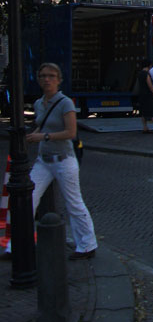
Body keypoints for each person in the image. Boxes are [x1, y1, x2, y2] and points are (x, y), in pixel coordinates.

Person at [26, 63, 98, 260]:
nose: (46, 79)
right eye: (43, 76)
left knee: (74, 202)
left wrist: (43, 137)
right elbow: (41, 126)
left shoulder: (65, 103)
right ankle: (18, 244)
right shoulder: (39, 103)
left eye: (51, 76)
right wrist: (34, 134)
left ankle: (87, 245)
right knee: (27, 199)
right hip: (44, 160)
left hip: (64, 159)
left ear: (58, 80)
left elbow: (71, 133)